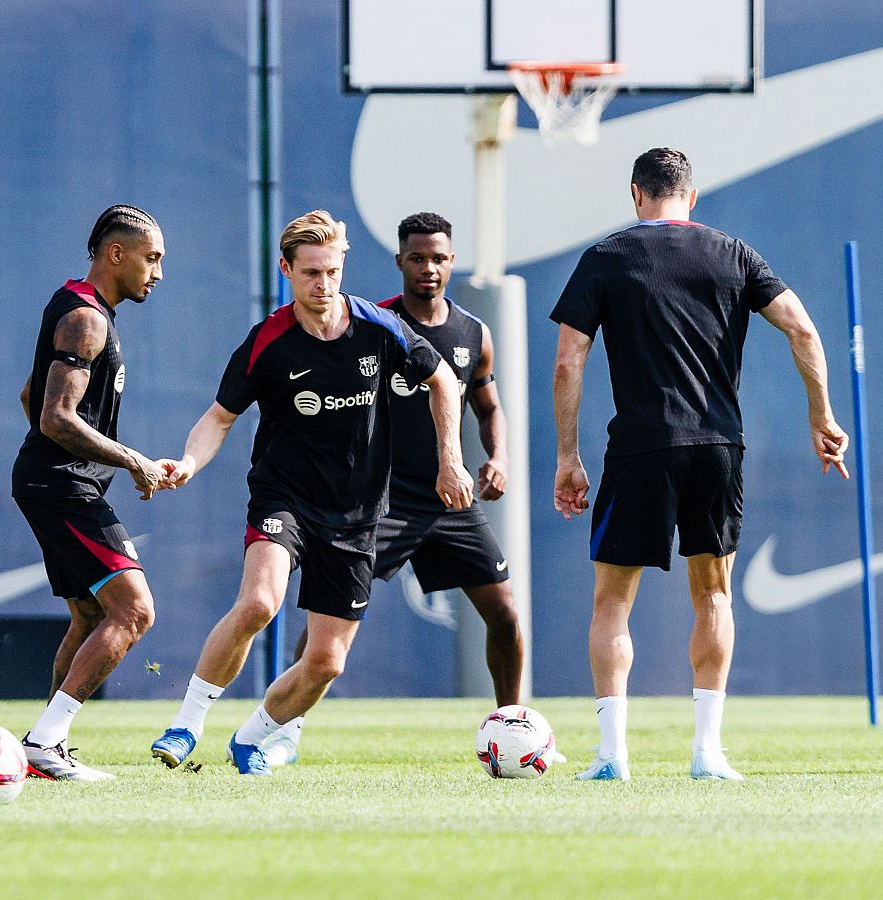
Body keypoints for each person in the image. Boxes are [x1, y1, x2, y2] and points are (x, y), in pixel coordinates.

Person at [550, 148, 849, 782]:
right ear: (693, 194)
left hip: (639, 447)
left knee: (611, 603)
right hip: (717, 445)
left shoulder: (607, 255)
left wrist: (567, 456)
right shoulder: (734, 253)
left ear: (637, 194)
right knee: (713, 594)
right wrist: (821, 417)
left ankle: (612, 756)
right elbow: (802, 329)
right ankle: (707, 754)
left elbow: (567, 361)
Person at [148, 210, 473, 776]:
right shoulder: (269, 340)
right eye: (309, 274)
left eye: (331, 272)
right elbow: (220, 417)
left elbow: (442, 379)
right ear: (286, 271)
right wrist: (189, 463)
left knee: (326, 662)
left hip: (357, 512)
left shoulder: (379, 326)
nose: (322, 286)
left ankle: (255, 737)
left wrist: (452, 461)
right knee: (258, 604)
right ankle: (187, 724)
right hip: (285, 499)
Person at [263, 211, 533, 767]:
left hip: (451, 501)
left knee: (505, 613)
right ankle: (282, 731)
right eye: (417, 258)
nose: (428, 268)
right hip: (382, 500)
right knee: (326, 623)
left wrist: (498, 457)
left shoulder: (473, 334)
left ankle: (513, 725)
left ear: (452, 262)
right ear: (399, 262)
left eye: (438, 258)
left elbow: (487, 406)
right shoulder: (372, 324)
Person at [10, 205, 169, 781]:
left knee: (87, 615)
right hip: (62, 486)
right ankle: (44, 743)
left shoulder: (80, 306)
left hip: (53, 479)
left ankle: (50, 746)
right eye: (151, 259)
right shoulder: (87, 319)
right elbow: (54, 416)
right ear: (116, 254)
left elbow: (32, 395)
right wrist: (133, 462)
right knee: (134, 610)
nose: (157, 272)